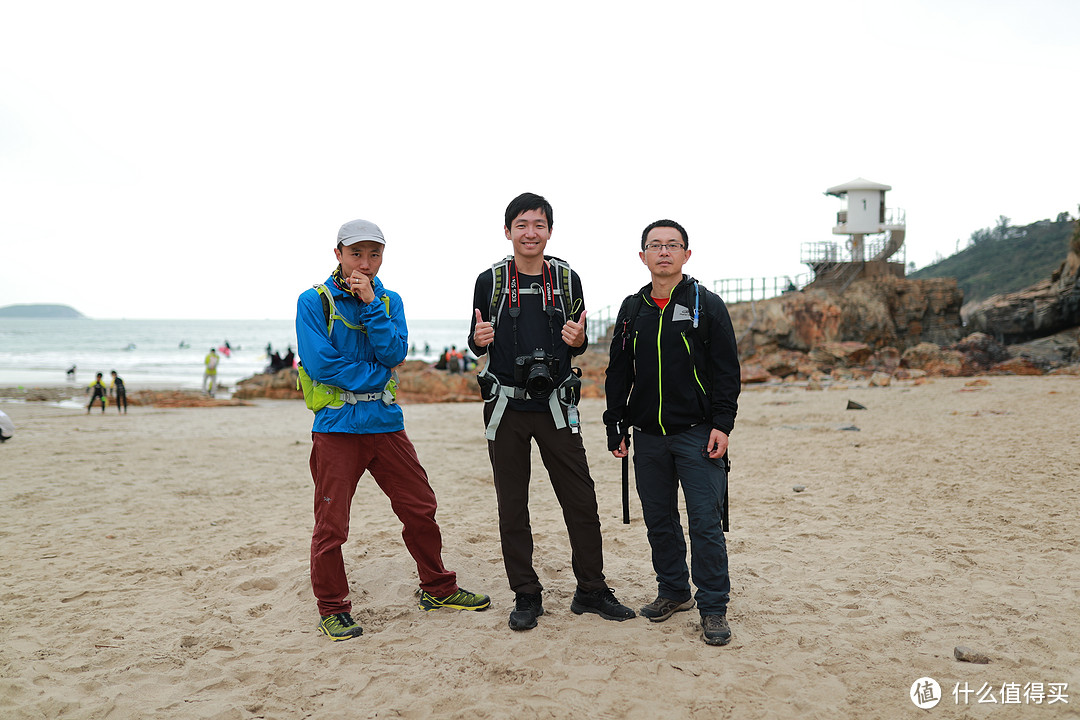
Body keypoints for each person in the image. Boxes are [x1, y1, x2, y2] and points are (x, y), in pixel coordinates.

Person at [296, 218, 490, 641]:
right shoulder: (313, 302)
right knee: (332, 525)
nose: (365, 263)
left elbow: (394, 352)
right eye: (356, 253)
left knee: (420, 506)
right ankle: (331, 608)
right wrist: (376, 373)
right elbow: (321, 364)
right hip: (336, 427)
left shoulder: (389, 300)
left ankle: (438, 588)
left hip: (386, 424)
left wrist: (369, 303)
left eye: (374, 254)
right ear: (338, 254)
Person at [468, 192, 635, 631]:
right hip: (506, 405)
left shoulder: (566, 278)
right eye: (521, 225)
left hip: (557, 404)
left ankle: (592, 589)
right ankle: (526, 594)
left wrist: (579, 342)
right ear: (507, 231)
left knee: (581, 498)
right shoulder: (490, 280)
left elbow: (577, 339)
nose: (530, 233)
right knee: (513, 504)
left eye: (538, 225)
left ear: (549, 231)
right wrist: (478, 339)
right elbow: (476, 338)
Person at [603, 219, 741, 647]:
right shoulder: (632, 309)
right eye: (655, 245)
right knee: (659, 521)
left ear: (686, 254)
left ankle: (713, 606)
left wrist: (723, 425)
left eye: (672, 245)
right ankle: (674, 591)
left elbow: (726, 372)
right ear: (642, 256)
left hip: (698, 434)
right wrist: (615, 424)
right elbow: (619, 372)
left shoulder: (707, 304)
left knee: (704, 523)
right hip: (647, 435)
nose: (664, 252)